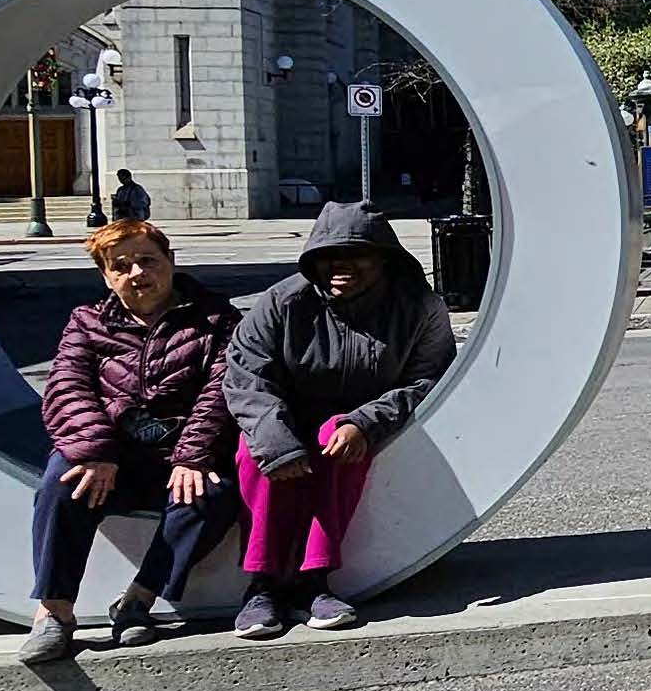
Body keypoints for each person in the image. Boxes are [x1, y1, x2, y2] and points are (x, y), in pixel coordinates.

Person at [218, 200, 459, 637]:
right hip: (285, 416)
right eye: (328, 255)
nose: (340, 266)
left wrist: (365, 421)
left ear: (384, 258)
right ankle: (263, 584)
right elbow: (245, 373)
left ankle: (315, 580)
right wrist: (276, 439)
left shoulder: (419, 308)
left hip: (360, 421)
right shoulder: (282, 302)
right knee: (258, 453)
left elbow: (429, 379)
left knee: (341, 442)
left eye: (357, 254)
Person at [23, 220, 239, 664]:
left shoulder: (217, 319)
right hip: (114, 457)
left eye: (148, 260)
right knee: (63, 479)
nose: (137, 273)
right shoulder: (86, 323)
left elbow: (221, 391)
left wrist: (193, 456)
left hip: (180, 454)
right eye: (120, 266)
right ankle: (54, 613)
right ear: (106, 276)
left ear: (171, 262)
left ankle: (137, 600)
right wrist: (97, 451)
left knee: (211, 494)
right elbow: (67, 388)